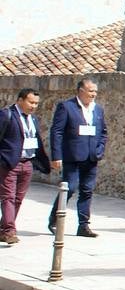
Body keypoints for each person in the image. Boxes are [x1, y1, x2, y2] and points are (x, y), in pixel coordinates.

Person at [48, 77, 107, 238]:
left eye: (95, 91)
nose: (93, 94)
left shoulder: (98, 110)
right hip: (72, 157)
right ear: (81, 91)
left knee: (87, 190)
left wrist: (100, 150)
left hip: (91, 157)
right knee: (70, 188)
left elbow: (103, 132)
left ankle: (83, 225)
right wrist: (56, 155)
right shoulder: (67, 107)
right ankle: (54, 219)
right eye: (90, 91)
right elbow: (57, 131)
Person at [1, 88, 50, 245]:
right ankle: (9, 231)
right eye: (31, 102)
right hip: (9, 163)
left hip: (27, 162)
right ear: (20, 100)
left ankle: (4, 228)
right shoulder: (7, 114)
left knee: (18, 199)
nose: (33, 106)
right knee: (8, 197)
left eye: (36, 103)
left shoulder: (33, 119)